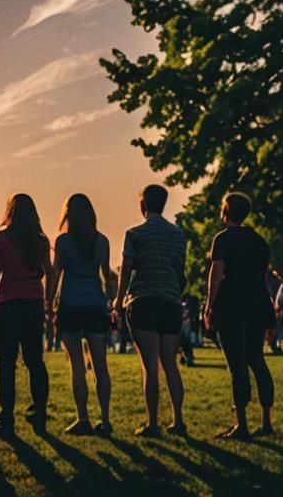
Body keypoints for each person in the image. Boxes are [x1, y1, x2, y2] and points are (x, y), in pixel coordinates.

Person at [114, 183, 188, 438]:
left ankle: (153, 423)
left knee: (149, 366)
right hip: (170, 301)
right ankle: (179, 420)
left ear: (143, 204)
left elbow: (125, 271)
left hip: (143, 300)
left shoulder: (135, 233)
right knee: (171, 363)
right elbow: (180, 272)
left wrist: (118, 299)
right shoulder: (179, 235)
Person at [203, 192, 276, 439]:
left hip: (232, 304)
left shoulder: (222, 239)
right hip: (257, 302)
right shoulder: (260, 241)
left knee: (237, 364)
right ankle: (267, 422)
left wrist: (209, 305)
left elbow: (216, 274)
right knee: (257, 359)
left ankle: (242, 425)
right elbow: (263, 276)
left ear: (226, 213)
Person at [0, 194, 51, 435]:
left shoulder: (2, 238)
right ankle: (40, 412)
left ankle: (5, 417)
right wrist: (48, 301)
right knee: (35, 360)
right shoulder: (40, 241)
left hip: (7, 304)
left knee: (6, 362)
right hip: (33, 303)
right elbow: (48, 274)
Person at [46, 193, 113, 436]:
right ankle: (105, 420)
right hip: (95, 305)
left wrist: (48, 302)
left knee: (77, 366)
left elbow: (55, 274)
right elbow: (106, 277)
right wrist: (111, 302)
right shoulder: (102, 241)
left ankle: (82, 418)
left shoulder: (63, 242)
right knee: (100, 366)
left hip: (70, 306)